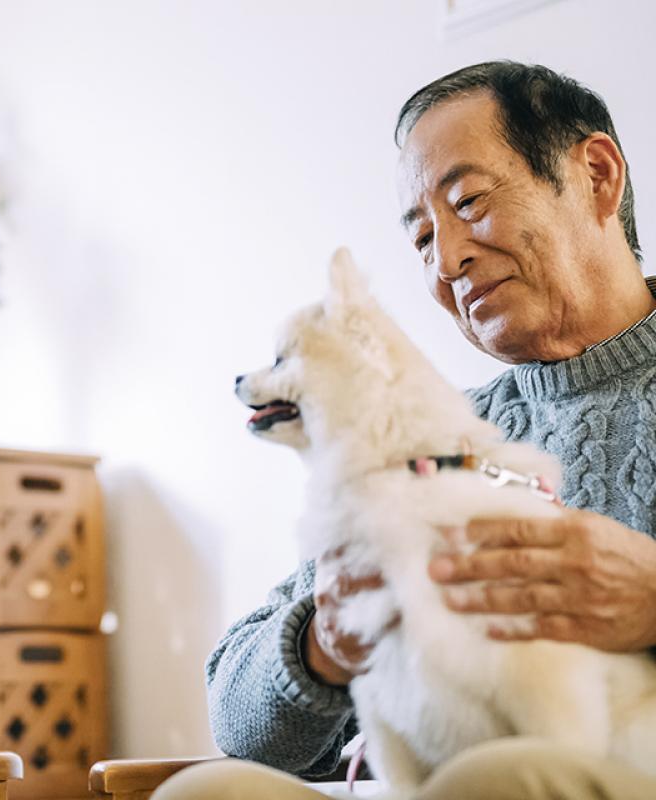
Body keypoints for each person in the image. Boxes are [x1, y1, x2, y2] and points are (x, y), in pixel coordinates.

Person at [158, 62, 656, 799]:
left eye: (469, 202)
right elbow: (235, 716)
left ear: (597, 175)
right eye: (423, 237)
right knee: (205, 794)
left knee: (499, 779)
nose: (448, 260)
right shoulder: (434, 435)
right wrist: (323, 645)